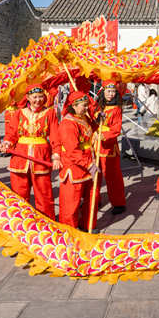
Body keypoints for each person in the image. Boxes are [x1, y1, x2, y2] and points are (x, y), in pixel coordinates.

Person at [0, 87, 59, 218]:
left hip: (41, 156)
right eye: (35, 97)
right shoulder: (19, 113)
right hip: (20, 157)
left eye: (40, 96)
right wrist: (6, 143)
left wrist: (56, 156)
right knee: (19, 192)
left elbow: (55, 135)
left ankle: (47, 222)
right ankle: (19, 220)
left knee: (44, 193)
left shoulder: (50, 113)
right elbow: (12, 133)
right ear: (28, 97)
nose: (38, 100)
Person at [55, 91, 97, 229]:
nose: (86, 108)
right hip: (74, 167)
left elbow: (91, 128)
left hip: (88, 162)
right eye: (83, 106)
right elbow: (73, 150)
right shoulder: (68, 124)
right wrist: (89, 164)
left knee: (90, 198)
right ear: (74, 106)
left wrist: (99, 120)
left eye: (86, 105)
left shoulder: (83, 118)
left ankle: (87, 225)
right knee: (71, 203)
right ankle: (69, 231)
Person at [92, 81, 127, 214]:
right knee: (95, 175)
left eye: (113, 92)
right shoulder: (97, 107)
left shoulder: (117, 109)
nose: (111, 94)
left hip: (109, 146)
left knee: (112, 176)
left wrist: (104, 135)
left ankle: (118, 203)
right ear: (103, 91)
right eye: (108, 91)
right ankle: (95, 200)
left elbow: (117, 129)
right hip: (95, 144)